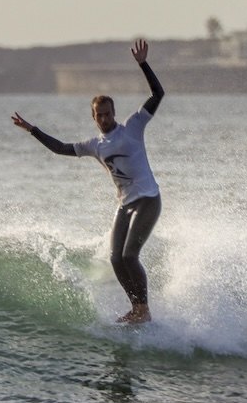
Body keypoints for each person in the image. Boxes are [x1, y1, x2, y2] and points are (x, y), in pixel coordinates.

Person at [11, 39, 164, 324]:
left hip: (148, 200)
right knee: (116, 259)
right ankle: (136, 308)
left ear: (114, 113)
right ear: (94, 117)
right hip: (126, 205)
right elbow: (60, 148)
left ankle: (144, 309)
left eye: (108, 114)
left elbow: (158, 93)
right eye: (99, 115)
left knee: (130, 256)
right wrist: (32, 129)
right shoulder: (94, 145)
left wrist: (143, 64)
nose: (104, 118)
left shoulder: (133, 127)